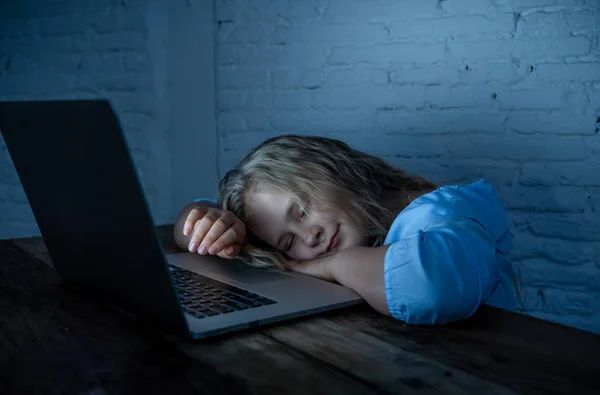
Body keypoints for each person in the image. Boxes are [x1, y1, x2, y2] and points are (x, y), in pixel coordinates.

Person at [173, 135, 518, 325]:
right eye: (289, 241)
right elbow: (193, 215)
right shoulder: (365, 226)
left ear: (334, 170)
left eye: (304, 209)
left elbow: (428, 285)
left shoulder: (445, 213)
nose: (311, 236)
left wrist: (329, 265)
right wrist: (207, 224)